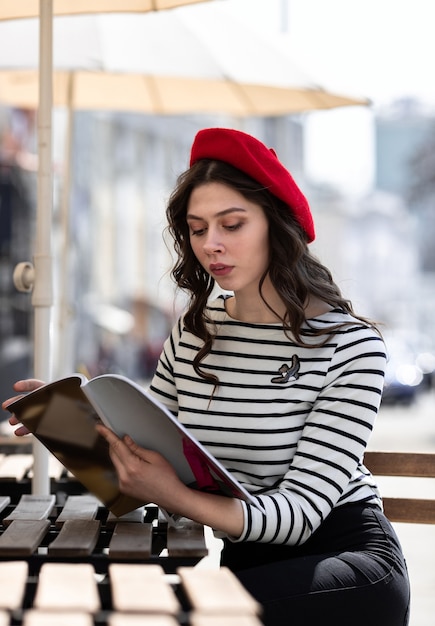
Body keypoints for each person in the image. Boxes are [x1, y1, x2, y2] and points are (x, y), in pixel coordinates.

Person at [4, 128, 410, 626]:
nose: (212, 245)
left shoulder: (350, 347)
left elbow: (300, 517)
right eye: (198, 229)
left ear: (276, 227)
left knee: (148, 612)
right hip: (243, 566)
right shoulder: (195, 333)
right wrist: (78, 426)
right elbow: (154, 462)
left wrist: (172, 495)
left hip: (343, 567)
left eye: (232, 224)